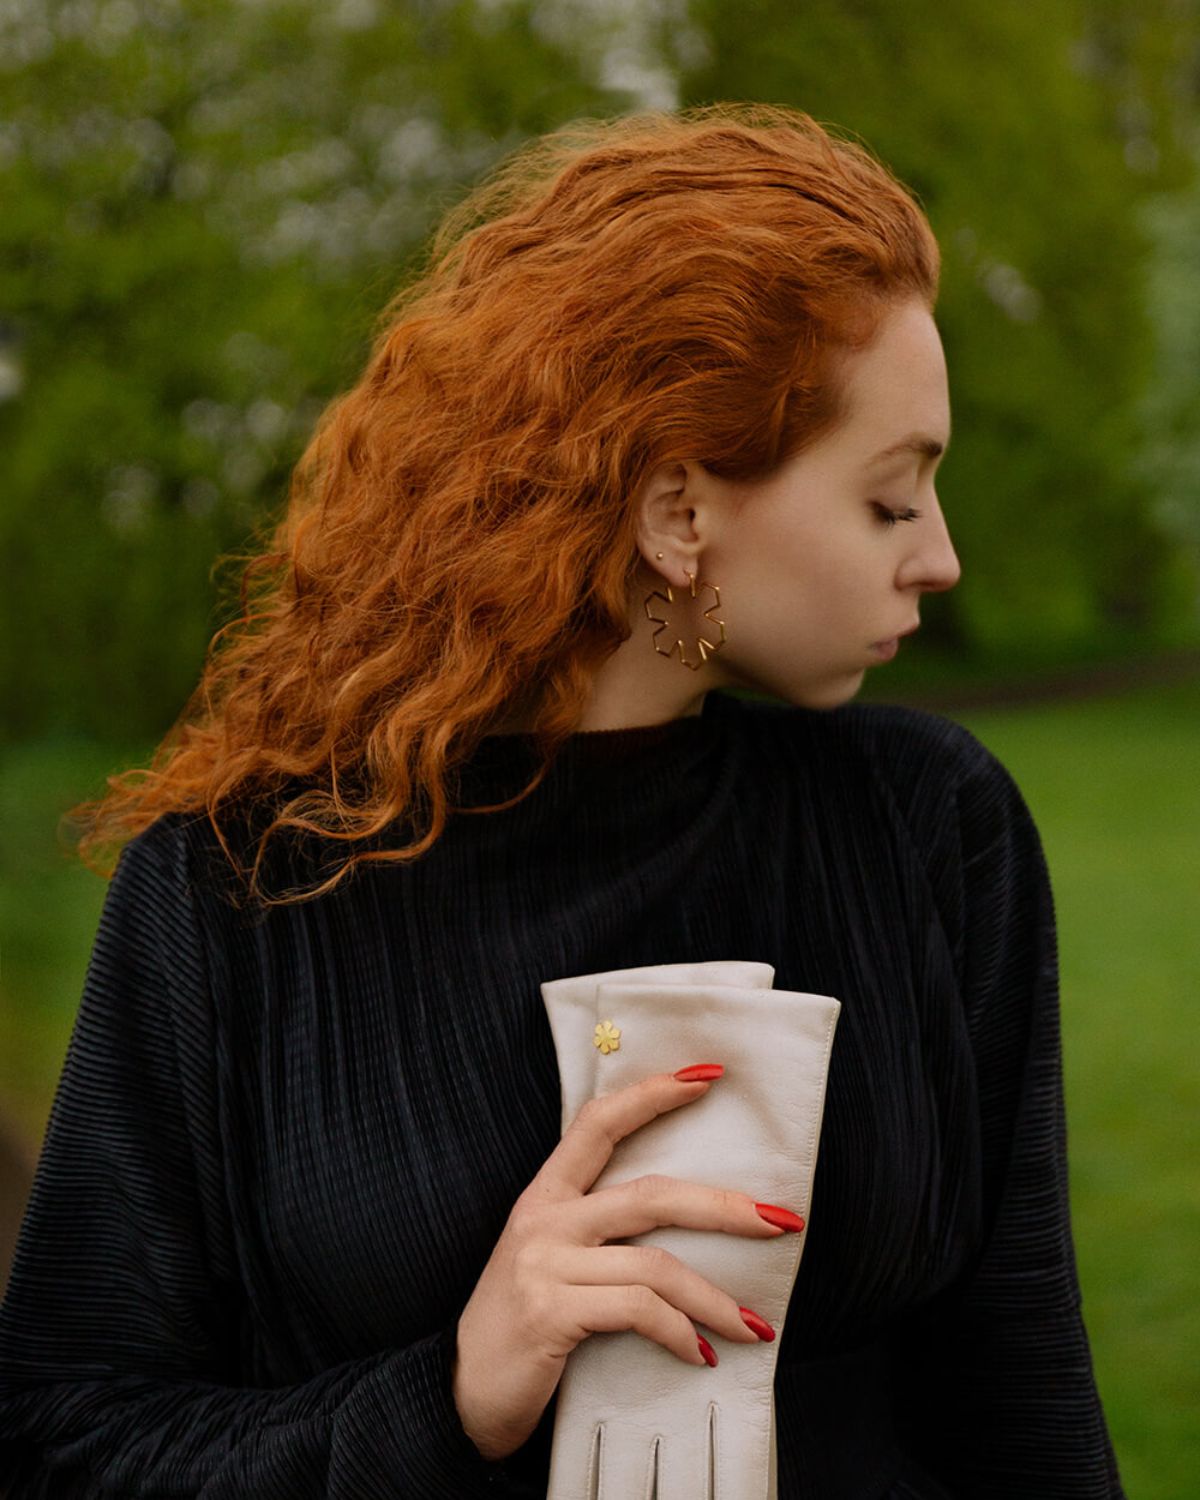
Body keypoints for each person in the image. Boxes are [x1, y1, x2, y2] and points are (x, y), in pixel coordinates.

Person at [0, 103, 1124, 1497]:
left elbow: (1022, 1399)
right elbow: (69, 1447)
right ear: (676, 515)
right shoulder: (241, 890)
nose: (941, 558)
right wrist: (454, 1389)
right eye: (893, 500)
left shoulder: (928, 828)